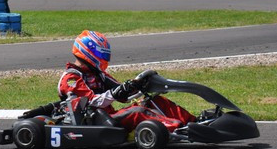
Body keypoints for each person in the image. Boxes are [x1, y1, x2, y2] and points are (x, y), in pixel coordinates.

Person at [24, 30, 194, 132]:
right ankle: (178, 128)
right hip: (92, 122)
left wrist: (136, 85)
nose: (104, 58)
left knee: (156, 101)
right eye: (101, 54)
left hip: (108, 118)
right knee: (138, 111)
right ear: (87, 51)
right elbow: (92, 101)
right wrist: (115, 93)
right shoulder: (71, 78)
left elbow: (123, 94)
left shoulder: (99, 74)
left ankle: (194, 123)